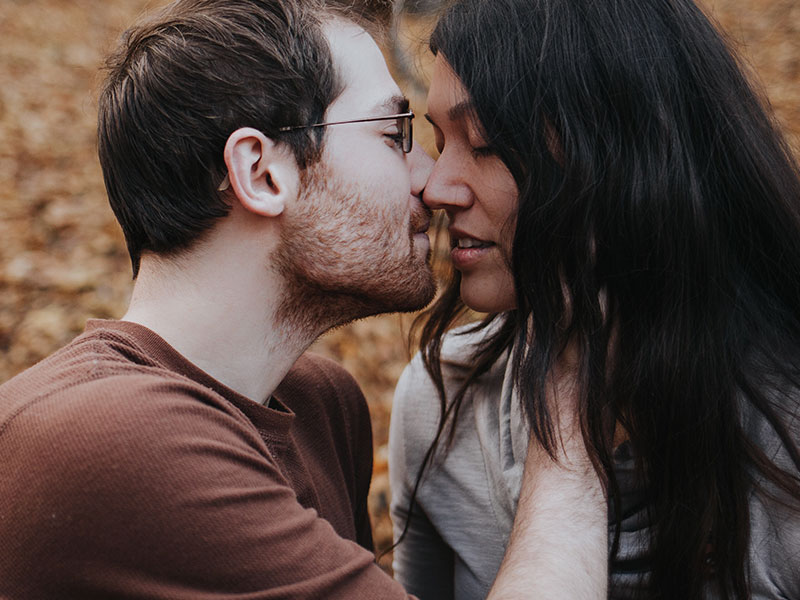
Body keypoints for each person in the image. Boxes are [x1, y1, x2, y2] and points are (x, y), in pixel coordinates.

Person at [0, 0, 607, 598]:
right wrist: (566, 409)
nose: (431, 181)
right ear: (262, 172)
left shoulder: (320, 407)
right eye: (395, 134)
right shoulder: (113, 439)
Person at [389, 0, 800, 598]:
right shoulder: (440, 402)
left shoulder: (784, 435)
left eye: (483, 143)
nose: (436, 186)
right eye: (437, 139)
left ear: (620, 159)